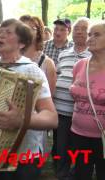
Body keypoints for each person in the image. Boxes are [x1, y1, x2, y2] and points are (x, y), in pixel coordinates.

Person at [0, 18, 57, 180]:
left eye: (8, 32)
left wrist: (22, 120)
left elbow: (52, 118)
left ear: (22, 44)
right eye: (0, 32)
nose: (0, 35)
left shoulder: (32, 71)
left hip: (24, 156)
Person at [54, 17, 91, 180]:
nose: (80, 31)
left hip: (83, 114)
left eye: (84, 29)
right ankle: (61, 174)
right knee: (61, 147)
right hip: (60, 111)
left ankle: (77, 174)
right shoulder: (63, 54)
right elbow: (56, 75)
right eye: (76, 28)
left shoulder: (94, 55)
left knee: (79, 149)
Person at [69, 22, 105, 180]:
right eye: (90, 34)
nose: (90, 38)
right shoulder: (79, 65)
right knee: (80, 173)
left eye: (96, 35)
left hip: (102, 138)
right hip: (78, 133)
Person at [43, 18, 74, 164]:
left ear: (69, 32)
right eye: (56, 29)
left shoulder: (72, 48)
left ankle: (59, 158)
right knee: (49, 128)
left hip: (63, 98)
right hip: (46, 93)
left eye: (62, 29)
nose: (58, 32)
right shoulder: (44, 46)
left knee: (62, 132)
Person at [20, 15, 57, 95]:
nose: (25, 32)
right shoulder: (12, 58)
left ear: (38, 33)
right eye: (22, 29)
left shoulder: (47, 63)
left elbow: (49, 97)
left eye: (31, 29)